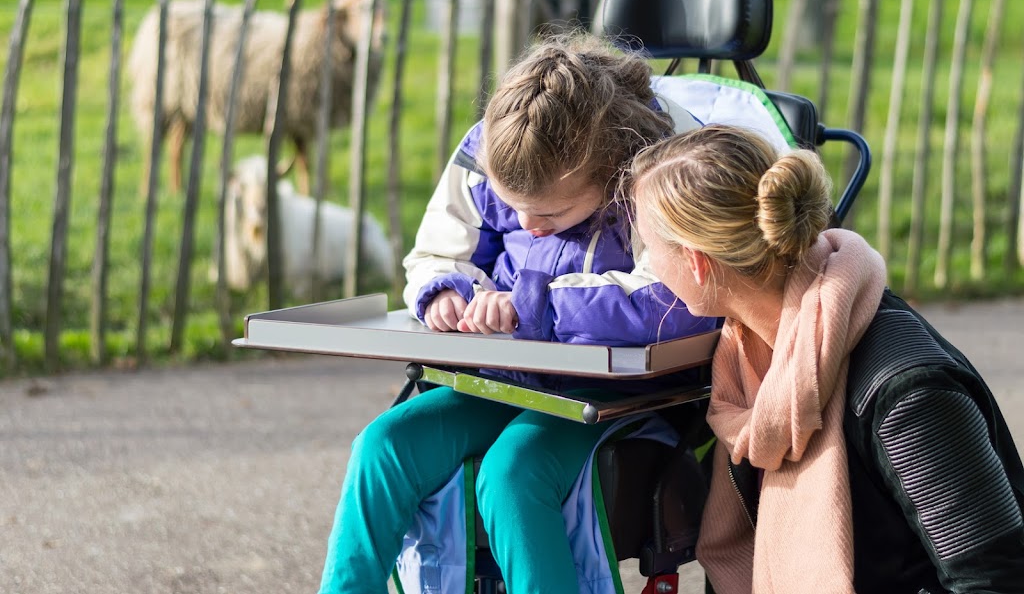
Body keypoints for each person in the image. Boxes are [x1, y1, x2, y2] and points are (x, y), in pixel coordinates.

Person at [316, 33, 719, 594]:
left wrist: (538, 306)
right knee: (383, 446)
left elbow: (678, 298)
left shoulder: (663, 165)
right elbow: (438, 250)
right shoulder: (499, 140)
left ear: (610, 173)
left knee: (513, 474)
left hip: (614, 396)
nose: (527, 224)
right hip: (503, 378)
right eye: (513, 207)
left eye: (551, 211)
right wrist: (444, 293)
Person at [628, 123, 1024, 593]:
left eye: (649, 247)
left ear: (696, 262)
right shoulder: (747, 360)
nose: (644, 265)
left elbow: (995, 581)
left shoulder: (905, 395)